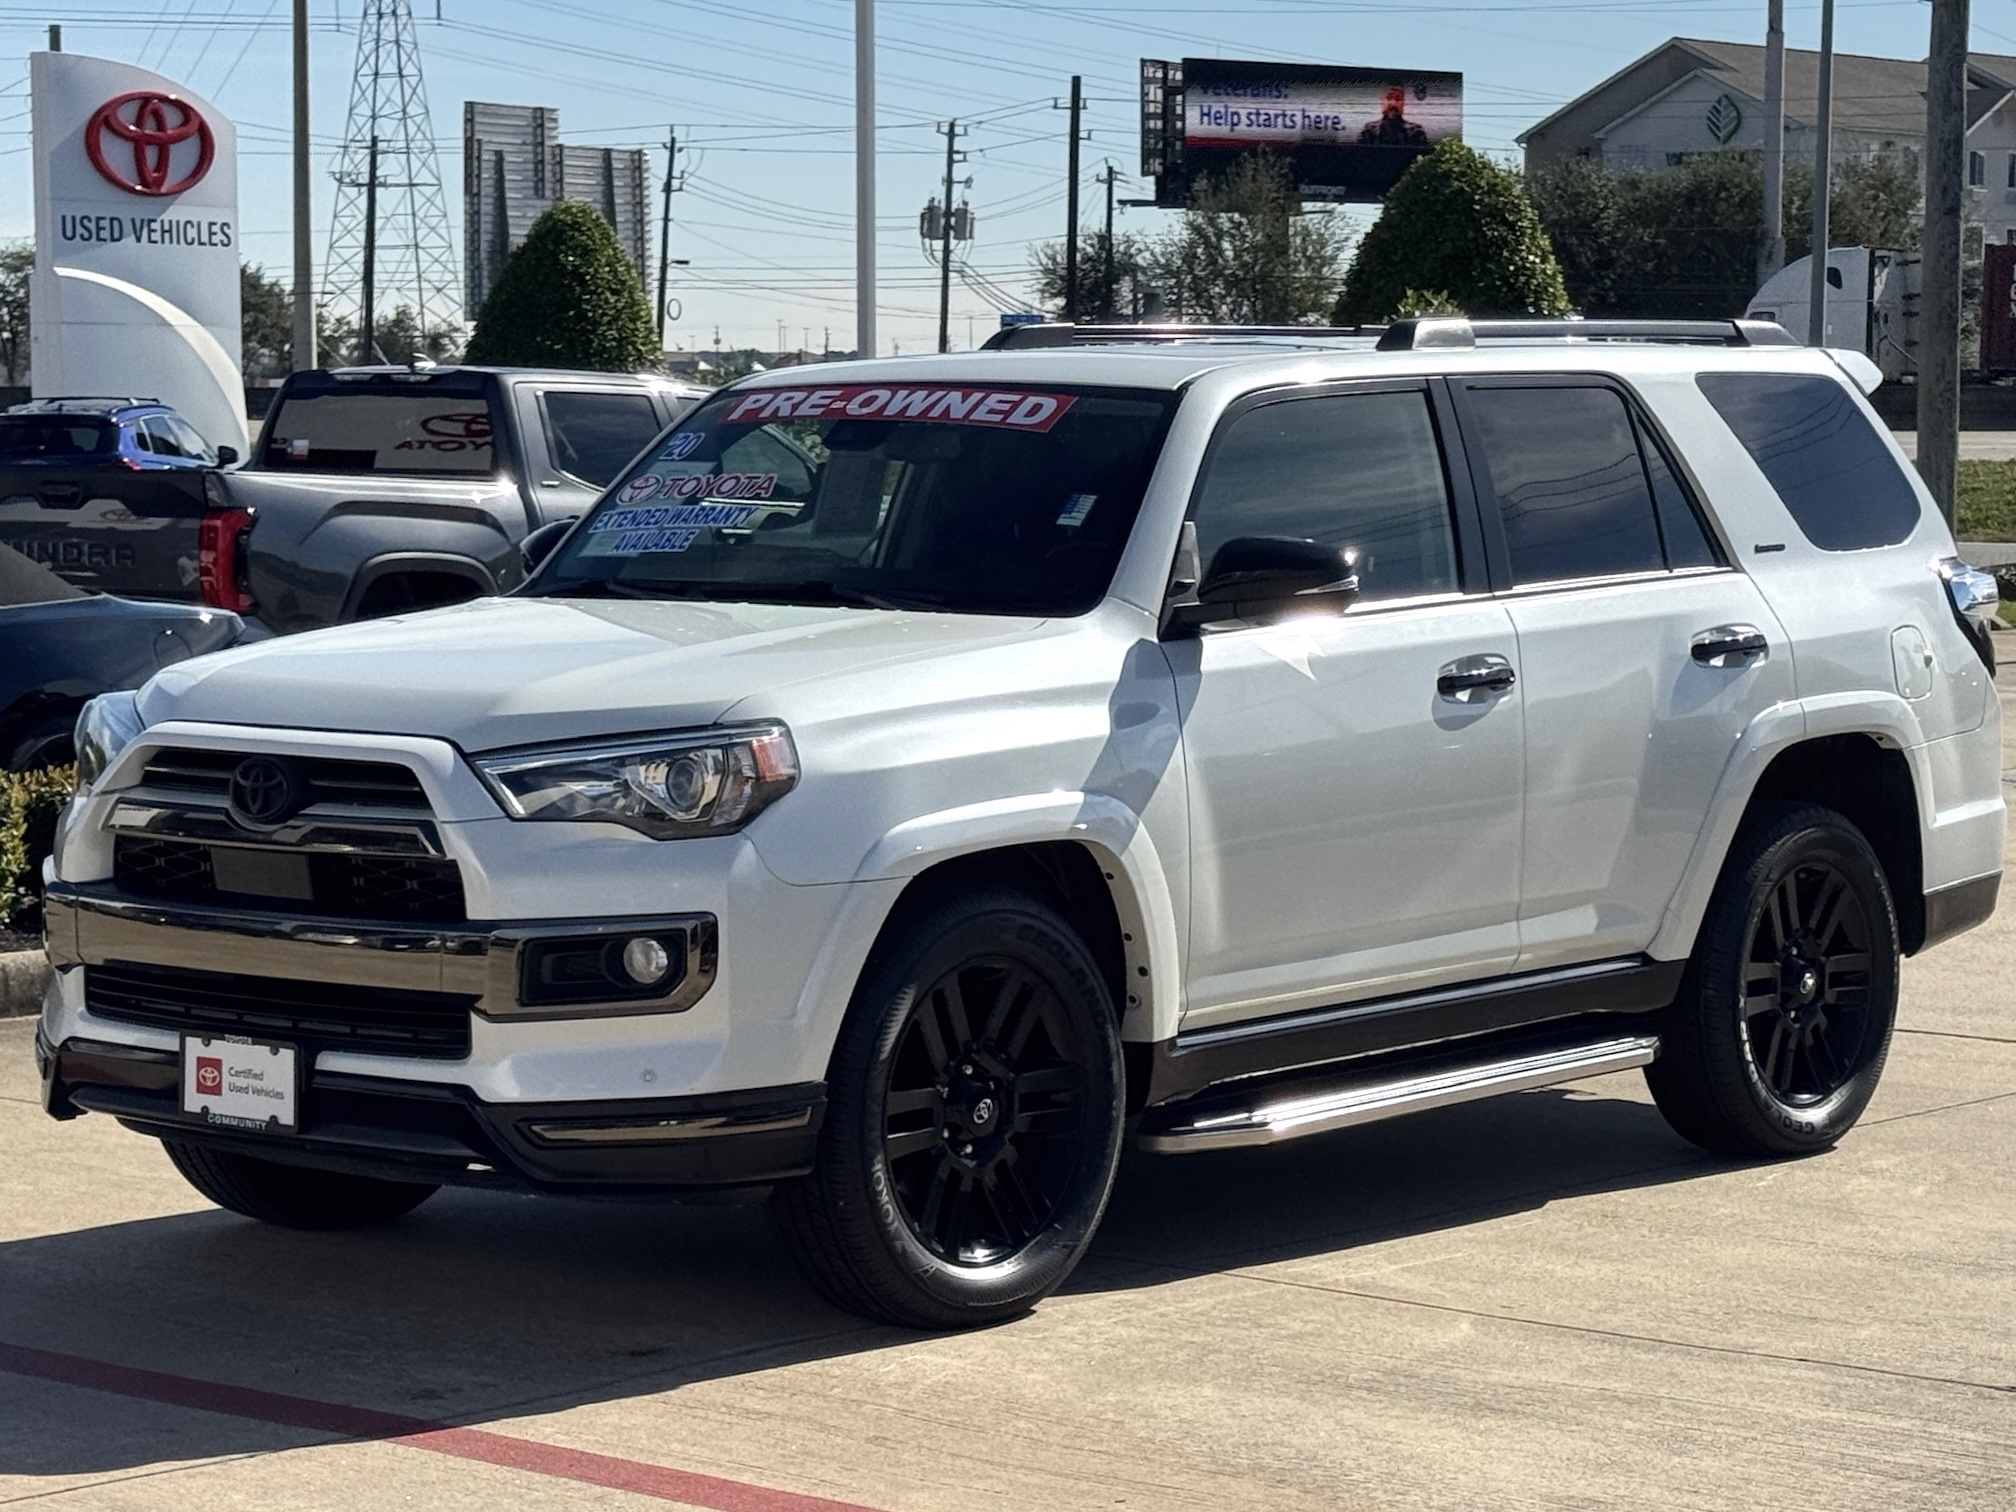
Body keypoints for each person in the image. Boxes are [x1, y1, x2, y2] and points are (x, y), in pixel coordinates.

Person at [1359, 86, 1430, 147]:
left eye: (1398, 99)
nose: (1393, 103)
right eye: (1389, 98)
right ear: (1382, 102)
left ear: (1403, 104)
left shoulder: (1415, 131)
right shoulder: (1369, 131)